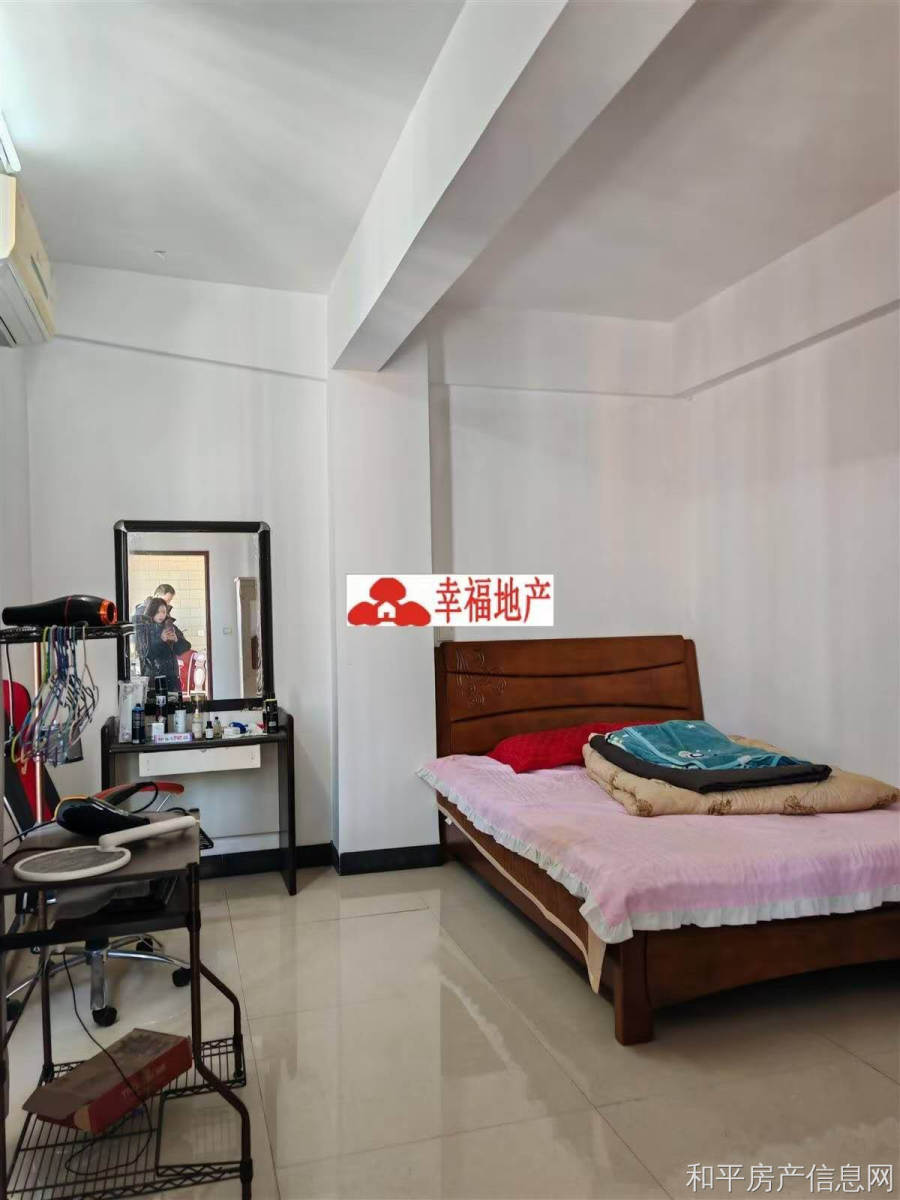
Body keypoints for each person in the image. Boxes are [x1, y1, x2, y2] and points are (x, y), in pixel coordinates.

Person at [137, 597, 191, 692]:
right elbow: (145, 654)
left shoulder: (170, 626)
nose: (161, 615)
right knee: (157, 701)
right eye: (158, 612)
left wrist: (177, 640)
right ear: (152, 611)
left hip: (172, 677)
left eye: (163, 612)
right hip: (153, 678)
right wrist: (160, 640)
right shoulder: (144, 628)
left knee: (174, 701)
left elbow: (185, 647)